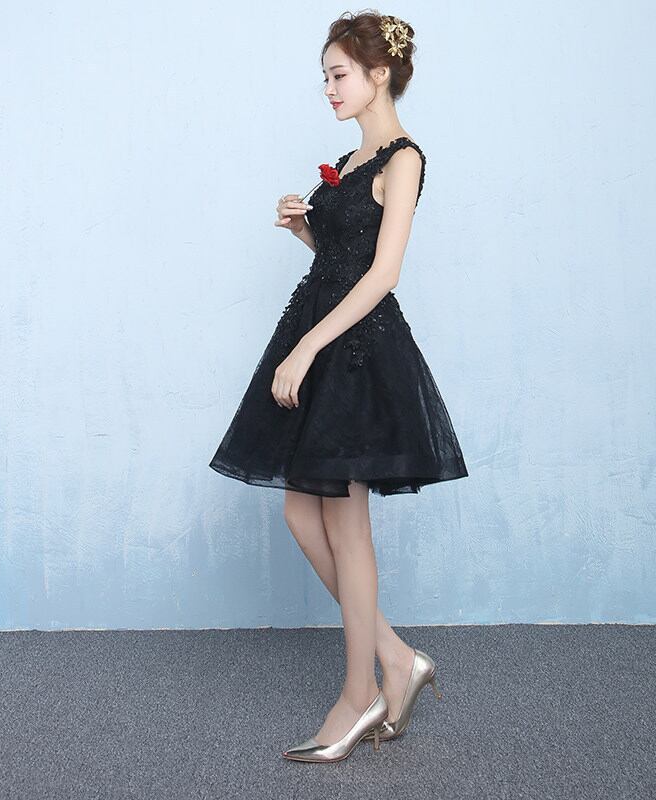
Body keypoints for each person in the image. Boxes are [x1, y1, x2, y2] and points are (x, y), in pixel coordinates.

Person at [209, 11, 469, 763]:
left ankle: (359, 696)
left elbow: (383, 274)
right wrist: (305, 231)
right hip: (321, 334)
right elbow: (342, 255)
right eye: (325, 76)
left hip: (354, 352)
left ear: (378, 75)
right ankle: (395, 657)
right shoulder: (351, 160)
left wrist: (305, 349)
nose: (328, 88)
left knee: (346, 524)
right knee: (302, 512)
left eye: (338, 74)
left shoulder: (404, 158)